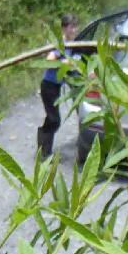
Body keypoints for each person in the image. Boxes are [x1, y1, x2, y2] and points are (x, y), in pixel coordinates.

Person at [37, 15, 80, 160]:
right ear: (64, 28)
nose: (74, 30)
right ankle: (44, 153)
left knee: (52, 118)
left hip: (56, 87)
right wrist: (65, 61)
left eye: (75, 26)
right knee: (54, 119)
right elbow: (50, 59)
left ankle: (43, 149)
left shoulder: (72, 44)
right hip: (48, 86)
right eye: (71, 27)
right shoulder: (59, 43)